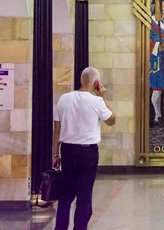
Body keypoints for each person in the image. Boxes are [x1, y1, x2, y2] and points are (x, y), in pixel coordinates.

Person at [52, 67, 116, 230]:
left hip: (67, 150)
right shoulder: (97, 101)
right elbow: (111, 120)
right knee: (84, 195)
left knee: (66, 195)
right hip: (88, 153)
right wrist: (104, 97)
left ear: (81, 80)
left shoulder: (64, 99)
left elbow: (57, 129)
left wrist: (55, 153)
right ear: (96, 84)